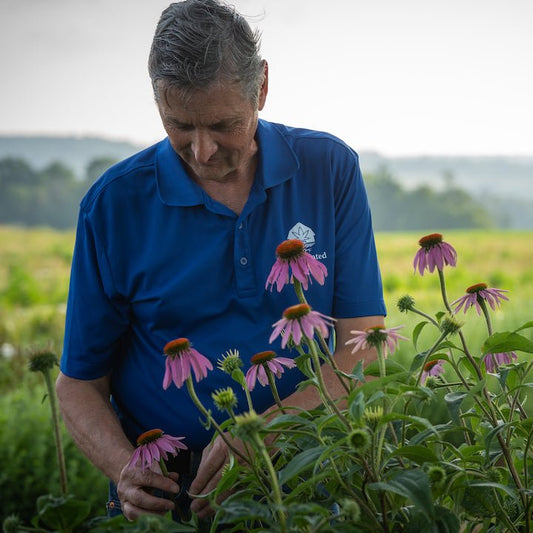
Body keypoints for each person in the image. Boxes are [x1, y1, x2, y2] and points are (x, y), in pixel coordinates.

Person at [56, 0, 386, 523]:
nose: (202, 150)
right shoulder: (113, 204)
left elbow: (363, 346)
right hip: (174, 497)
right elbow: (78, 382)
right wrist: (125, 471)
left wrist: (270, 430)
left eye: (223, 124)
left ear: (262, 88)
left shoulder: (329, 169)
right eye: (179, 125)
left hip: (315, 473)